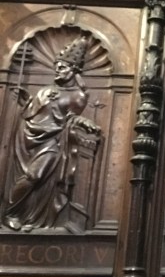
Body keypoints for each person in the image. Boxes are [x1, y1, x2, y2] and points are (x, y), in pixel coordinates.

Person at [3, 34, 100, 231]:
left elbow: (71, 118)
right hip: (29, 137)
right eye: (57, 66)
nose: (58, 70)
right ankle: (13, 215)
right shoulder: (46, 90)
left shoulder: (78, 96)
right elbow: (32, 113)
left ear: (74, 70)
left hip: (54, 140)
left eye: (62, 67)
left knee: (35, 175)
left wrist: (81, 122)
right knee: (29, 176)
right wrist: (26, 101)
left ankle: (18, 214)